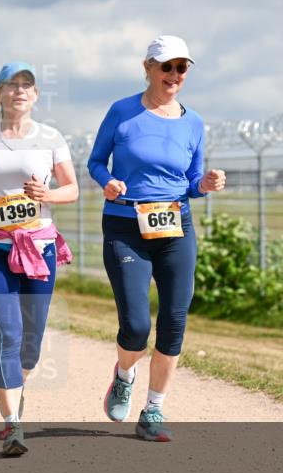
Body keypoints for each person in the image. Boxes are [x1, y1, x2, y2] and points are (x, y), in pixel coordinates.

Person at [87, 35, 226, 442]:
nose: (174, 75)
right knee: (134, 325)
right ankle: (124, 374)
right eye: (166, 66)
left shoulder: (194, 122)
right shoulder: (123, 112)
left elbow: (192, 183)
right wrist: (106, 181)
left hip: (175, 227)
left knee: (174, 322)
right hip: (126, 225)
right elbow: (96, 160)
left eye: (182, 67)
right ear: (148, 67)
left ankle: (153, 411)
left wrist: (207, 183)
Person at [0, 62, 78, 456]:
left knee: (32, 343)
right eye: (12, 85)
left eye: (27, 85)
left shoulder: (51, 138)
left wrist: (47, 196)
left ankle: (15, 392)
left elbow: (71, 189)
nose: (20, 91)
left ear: (36, 95)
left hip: (39, 247)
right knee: (8, 333)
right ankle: (12, 425)